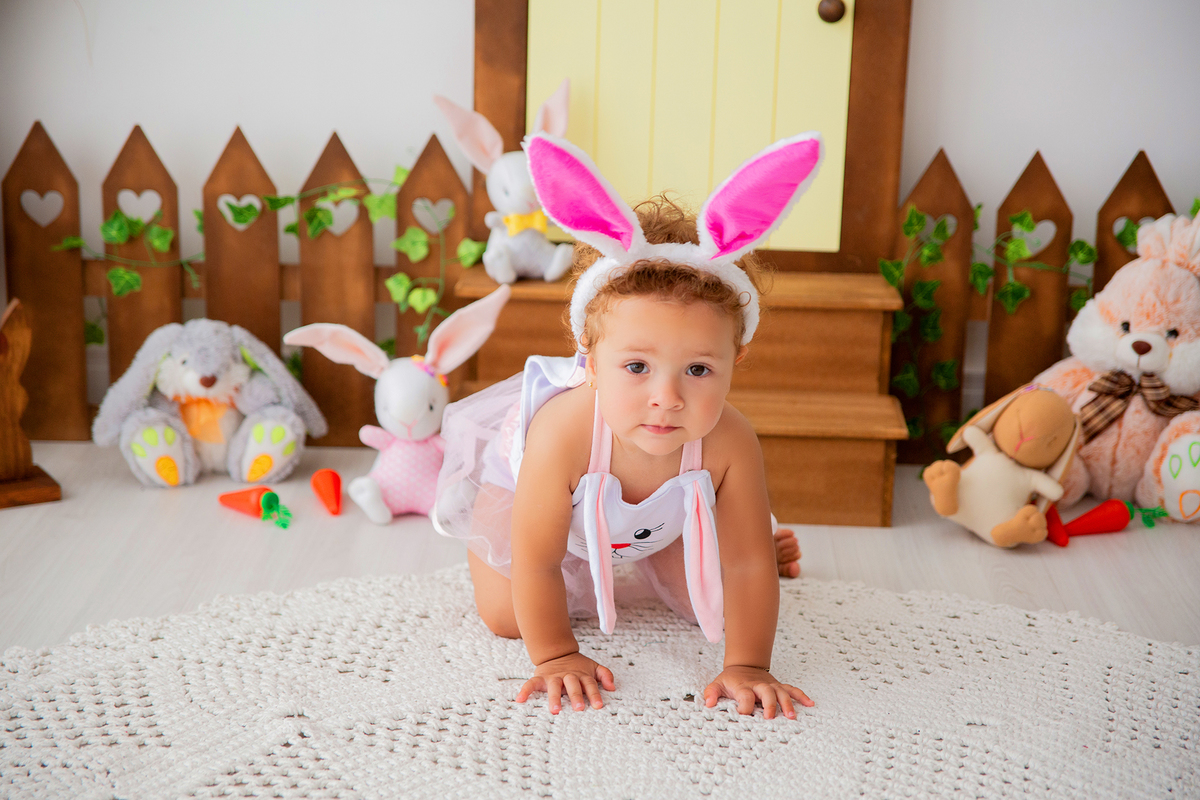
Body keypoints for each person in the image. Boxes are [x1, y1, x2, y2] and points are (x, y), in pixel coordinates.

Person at [433, 131, 823, 719]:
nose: (665, 398)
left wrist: (748, 665)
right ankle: (550, 570)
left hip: (651, 522)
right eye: (636, 367)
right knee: (509, 618)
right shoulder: (563, 431)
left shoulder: (730, 440)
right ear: (589, 361)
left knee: (711, 601)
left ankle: (725, 540)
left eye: (697, 369)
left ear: (735, 359)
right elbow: (538, 558)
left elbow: (746, 568)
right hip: (532, 514)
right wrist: (558, 654)